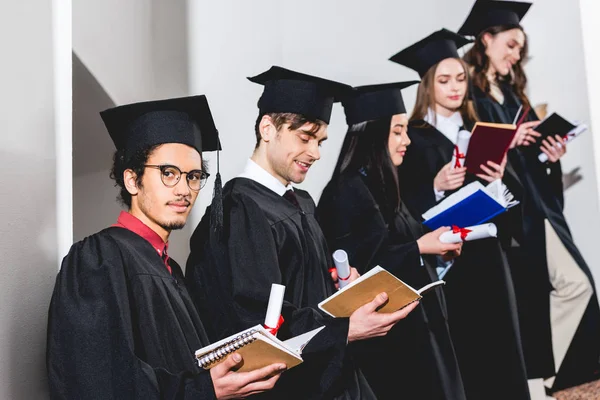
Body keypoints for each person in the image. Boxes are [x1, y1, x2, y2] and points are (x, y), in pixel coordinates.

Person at [186, 66, 418, 399]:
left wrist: (341, 287)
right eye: (305, 137)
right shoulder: (242, 208)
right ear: (268, 128)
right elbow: (260, 321)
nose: (316, 153)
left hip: (331, 373)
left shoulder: (302, 202)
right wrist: (346, 328)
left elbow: (306, 289)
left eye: (320, 140)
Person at [46, 95, 284, 399]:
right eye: (168, 173)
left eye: (194, 177)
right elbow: (98, 381)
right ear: (132, 180)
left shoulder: (170, 269)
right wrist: (202, 390)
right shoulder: (99, 259)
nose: (184, 190)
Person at [459, 0, 600, 393]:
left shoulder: (512, 94)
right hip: (511, 214)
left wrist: (548, 156)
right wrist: (506, 141)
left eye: (520, 47)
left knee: (574, 284)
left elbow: (528, 163)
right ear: (485, 40)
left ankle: (556, 372)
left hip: (538, 207)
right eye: (510, 44)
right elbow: (476, 161)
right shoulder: (469, 96)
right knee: (555, 290)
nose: (516, 53)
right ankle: (553, 375)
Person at [390, 29, 531, 400]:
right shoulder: (412, 139)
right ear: (427, 85)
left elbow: (513, 205)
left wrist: (498, 181)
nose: (455, 88)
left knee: (502, 349)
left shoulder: (481, 130)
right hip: (450, 266)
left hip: (490, 260)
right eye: (444, 80)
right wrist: (436, 186)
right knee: (467, 353)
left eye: (460, 79)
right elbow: (400, 210)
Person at [316, 81, 467, 400]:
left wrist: (436, 250)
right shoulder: (345, 192)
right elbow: (362, 265)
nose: (407, 140)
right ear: (374, 135)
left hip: (417, 329)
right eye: (398, 131)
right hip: (389, 343)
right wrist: (421, 246)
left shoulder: (384, 186)